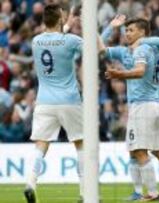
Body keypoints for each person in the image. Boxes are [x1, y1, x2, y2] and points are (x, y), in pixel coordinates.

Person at [99, 17, 159, 201]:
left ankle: (153, 193)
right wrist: (111, 27)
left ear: (142, 33)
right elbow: (100, 47)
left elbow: (141, 70)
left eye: (131, 30)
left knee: (141, 150)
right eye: (126, 30)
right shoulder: (129, 52)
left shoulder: (143, 49)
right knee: (155, 149)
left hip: (143, 105)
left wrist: (118, 74)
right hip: (154, 103)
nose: (127, 33)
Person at [24, 4, 84, 203]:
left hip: (44, 101)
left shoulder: (36, 41)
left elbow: (55, 39)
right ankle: (85, 193)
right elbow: (87, 47)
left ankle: (31, 183)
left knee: (41, 145)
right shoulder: (71, 41)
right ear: (59, 19)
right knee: (81, 144)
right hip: (69, 100)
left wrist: (66, 23)